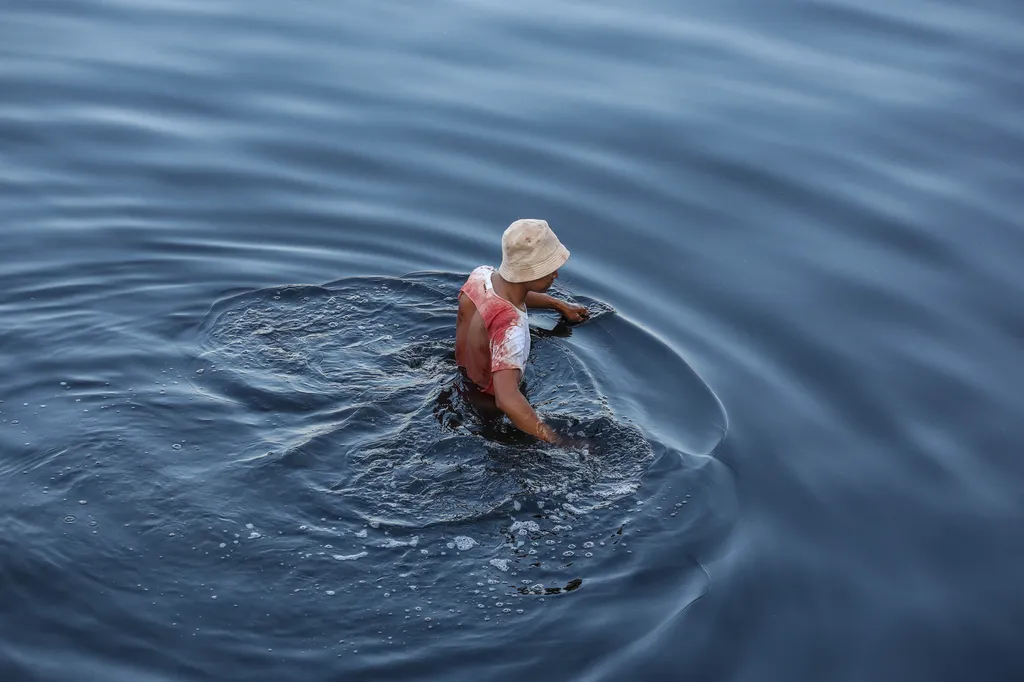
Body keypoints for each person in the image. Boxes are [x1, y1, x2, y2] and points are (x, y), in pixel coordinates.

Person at [455, 219, 589, 444]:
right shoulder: (511, 329)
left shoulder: (481, 276)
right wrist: (555, 439)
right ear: (530, 272)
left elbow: (512, 292)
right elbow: (507, 399)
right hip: (487, 409)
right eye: (550, 269)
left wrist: (558, 304)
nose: (555, 274)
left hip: (459, 378)